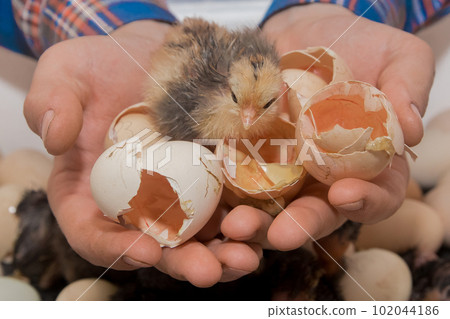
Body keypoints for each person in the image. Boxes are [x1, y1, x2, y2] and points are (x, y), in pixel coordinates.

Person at [0, 0, 446, 287]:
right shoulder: (198, 105)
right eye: (239, 103)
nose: (250, 117)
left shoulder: (267, 96)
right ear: (225, 88)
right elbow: (176, 117)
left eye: (267, 104)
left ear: (284, 95)